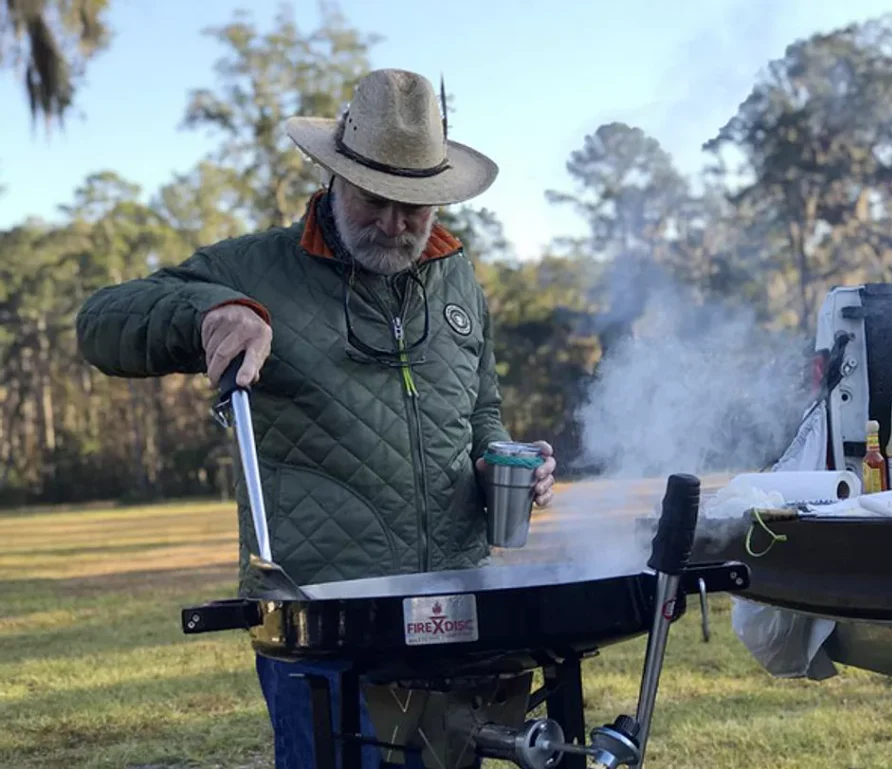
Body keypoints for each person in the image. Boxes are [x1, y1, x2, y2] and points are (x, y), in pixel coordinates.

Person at [76, 68, 556, 768]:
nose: (395, 225)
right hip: (322, 619)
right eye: (375, 200)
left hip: (454, 613)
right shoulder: (256, 268)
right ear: (336, 177)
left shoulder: (458, 278)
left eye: (414, 207)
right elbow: (100, 324)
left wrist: (499, 459)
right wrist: (209, 310)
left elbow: (479, 411)